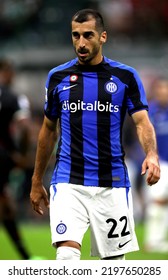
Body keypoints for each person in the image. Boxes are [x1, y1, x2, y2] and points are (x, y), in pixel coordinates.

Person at [30, 9, 160, 260]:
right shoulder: (57, 78)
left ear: (103, 37)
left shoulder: (125, 76)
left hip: (112, 184)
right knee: (66, 257)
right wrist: (37, 180)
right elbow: (47, 131)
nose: (80, 42)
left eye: (87, 35)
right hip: (69, 182)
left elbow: (142, 122)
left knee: (114, 267)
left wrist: (151, 155)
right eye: (75, 35)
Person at [0, 58, 42, 260]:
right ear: (6, 71)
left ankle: (25, 257)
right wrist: (22, 154)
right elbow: (25, 127)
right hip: (2, 157)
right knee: (6, 207)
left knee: (6, 206)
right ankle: (26, 258)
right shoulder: (13, 97)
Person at [144, 77, 168, 252]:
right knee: (157, 202)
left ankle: (158, 241)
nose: (163, 92)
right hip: (160, 163)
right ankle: (153, 241)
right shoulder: (150, 111)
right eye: (160, 89)